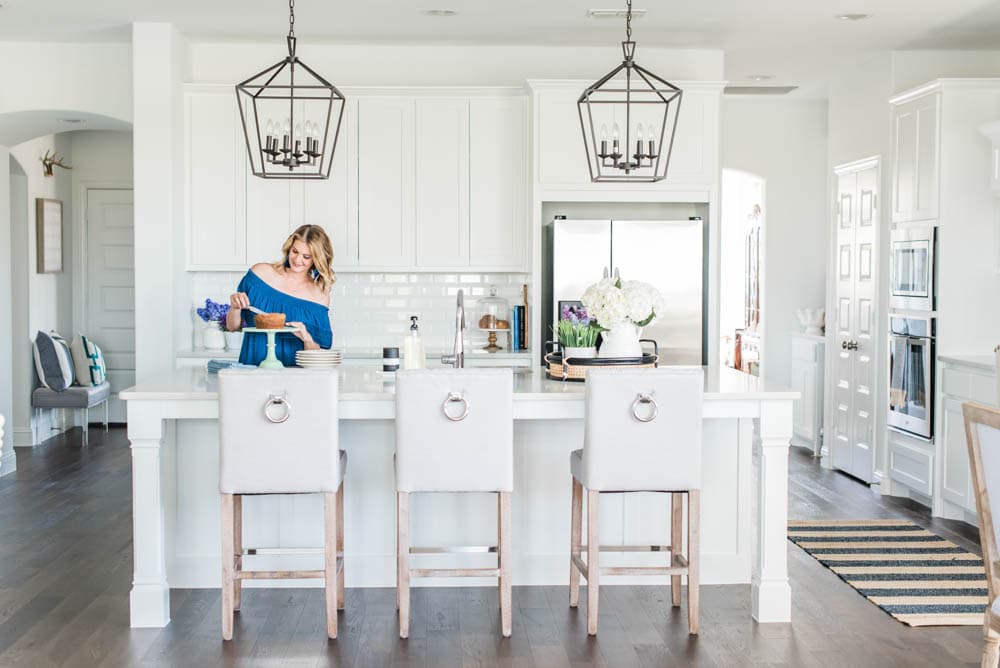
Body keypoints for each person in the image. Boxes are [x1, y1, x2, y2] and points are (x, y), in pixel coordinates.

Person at [227, 224, 334, 367]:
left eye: (306, 257)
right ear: (288, 248)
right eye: (295, 251)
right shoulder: (260, 274)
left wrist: (307, 338)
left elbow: (317, 356)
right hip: (253, 368)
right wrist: (235, 307)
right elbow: (233, 327)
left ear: (316, 259)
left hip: (294, 374)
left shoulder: (319, 296)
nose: (297, 260)